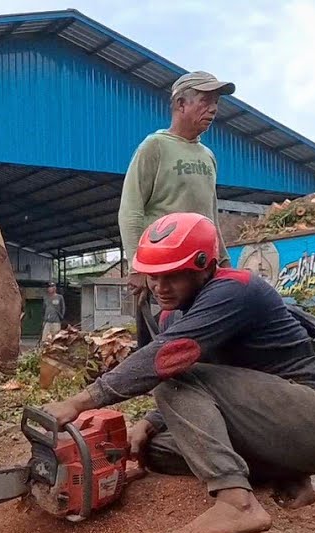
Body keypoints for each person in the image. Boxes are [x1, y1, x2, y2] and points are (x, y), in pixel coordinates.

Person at [42, 212, 315, 533]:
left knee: (170, 378)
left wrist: (79, 401)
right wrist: (149, 424)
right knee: (157, 451)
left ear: (206, 268)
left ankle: (237, 503)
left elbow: (167, 361)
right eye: (154, 277)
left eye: (174, 276)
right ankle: (288, 473)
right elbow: (200, 383)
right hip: (276, 426)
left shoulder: (236, 290)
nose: (160, 288)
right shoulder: (172, 314)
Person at [119, 71, 235, 342]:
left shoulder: (208, 157)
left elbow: (211, 216)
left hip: (198, 271)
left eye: (216, 102)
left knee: (196, 342)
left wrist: (226, 264)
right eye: (205, 101)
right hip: (163, 271)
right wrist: (138, 266)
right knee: (156, 347)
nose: (214, 108)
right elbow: (131, 208)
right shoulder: (155, 147)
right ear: (181, 104)